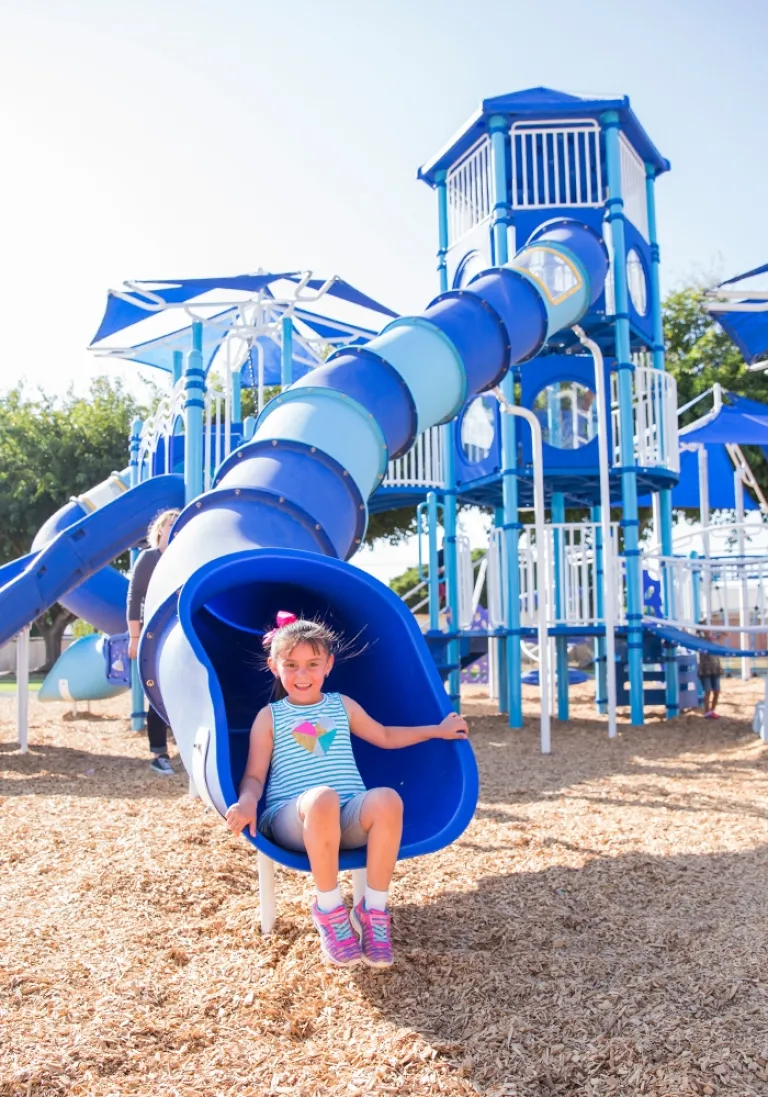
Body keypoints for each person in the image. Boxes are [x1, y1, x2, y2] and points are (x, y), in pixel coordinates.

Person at [225, 613, 469, 969]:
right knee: (323, 798)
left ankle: (373, 911)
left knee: (387, 798)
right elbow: (254, 776)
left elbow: (384, 735)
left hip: (344, 818)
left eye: (312, 664)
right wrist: (247, 802)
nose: (302, 674)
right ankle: (330, 911)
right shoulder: (270, 717)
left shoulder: (342, 706)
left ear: (328, 665)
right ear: (273, 666)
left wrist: (435, 730)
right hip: (291, 818)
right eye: (291, 665)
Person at [126, 508, 181, 773]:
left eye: (177, 523)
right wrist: (135, 637)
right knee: (156, 690)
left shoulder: (184, 557)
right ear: (160, 529)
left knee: (179, 689)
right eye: (170, 523)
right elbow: (134, 597)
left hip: (178, 631)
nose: (173, 527)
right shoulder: (150, 558)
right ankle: (159, 753)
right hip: (153, 632)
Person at [697, 629, 722, 719]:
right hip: (705, 669)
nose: (707, 630)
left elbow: (726, 634)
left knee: (716, 691)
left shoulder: (715, 639)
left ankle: (712, 710)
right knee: (707, 691)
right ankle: (707, 712)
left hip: (715, 668)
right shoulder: (700, 640)